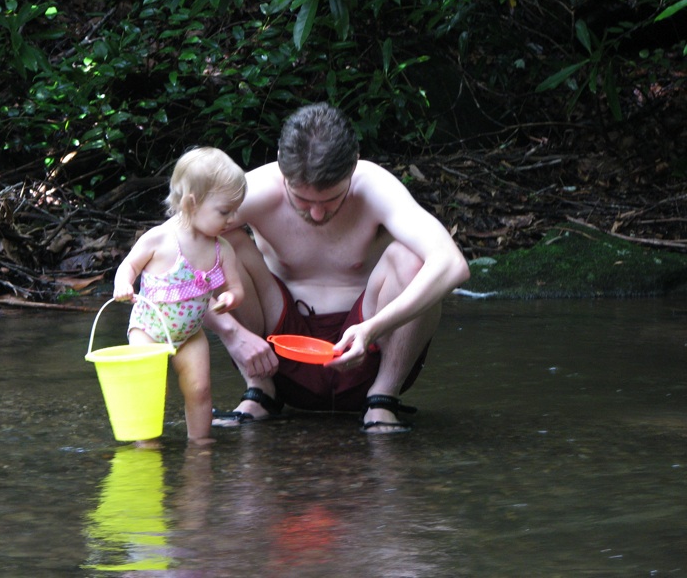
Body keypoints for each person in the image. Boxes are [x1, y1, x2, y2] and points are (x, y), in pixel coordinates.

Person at [206, 103, 470, 434]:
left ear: (352, 165)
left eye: (331, 200)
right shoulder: (256, 189)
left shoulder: (374, 186)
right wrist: (232, 336)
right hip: (276, 350)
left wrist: (372, 328)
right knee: (216, 242)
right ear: (283, 170)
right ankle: (260, 392)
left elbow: (452, 264)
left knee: (411, 258)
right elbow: (172, 253)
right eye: (302, 201)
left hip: (368, 348)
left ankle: (382, 399)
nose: (317, 215)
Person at [113, 147, 246, 445]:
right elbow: (128, 266)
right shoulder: (159, 238)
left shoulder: (221, 249)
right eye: (224, 211)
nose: (232, 218)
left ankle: (199, 443)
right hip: (148, 329)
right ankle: (145, 443)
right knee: (151, 390)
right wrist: (123, 285)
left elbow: (236, 288)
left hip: (190, 333)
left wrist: (230, 299)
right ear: (191, 203)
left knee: (199, 389)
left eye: (234, 210)